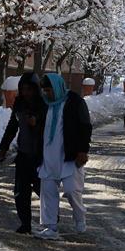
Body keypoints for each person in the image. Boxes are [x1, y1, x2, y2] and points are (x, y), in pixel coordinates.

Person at [34, 73, 92, 241]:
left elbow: (85, 126)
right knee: (48, 192)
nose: (47, 94)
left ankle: (80, 216)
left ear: (58, 87)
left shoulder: (74, 101)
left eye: (49, 90)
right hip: (47, 155)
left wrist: (83, 150)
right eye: (44, 90)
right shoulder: (44, 104)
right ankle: (50, 227)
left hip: (69, 155)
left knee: (71, 190)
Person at [0, 72, 45, 234]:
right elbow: (12, 127)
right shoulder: (19, 105)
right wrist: (3, 148)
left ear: (36, 89)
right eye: (23, 89)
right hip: (24, 155)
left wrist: (37, 123)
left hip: (41, 156)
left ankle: (51, 216)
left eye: (30, 89)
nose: (26, 93)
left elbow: (51, 128)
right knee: (21, 192)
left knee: (43, 190)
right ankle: (25, 223)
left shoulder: (44, 105)